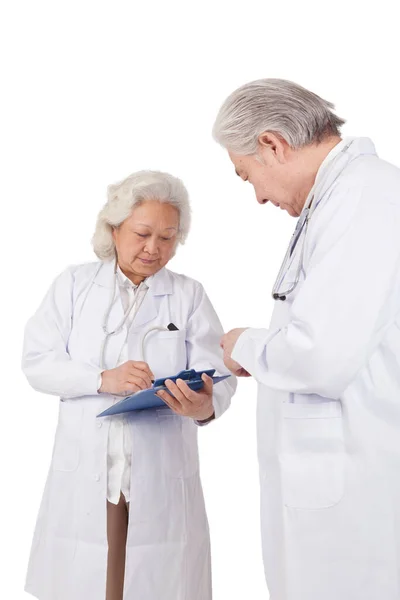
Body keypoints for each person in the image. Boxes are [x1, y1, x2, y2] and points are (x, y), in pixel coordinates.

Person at [213, 78, 400, 600]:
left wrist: (245, 344)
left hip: (352, 490)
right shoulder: (343, 198)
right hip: (330, 484)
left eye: (248, 176)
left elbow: (320, 356)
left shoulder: (365, 196)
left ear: (273, 144)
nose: (258, 197)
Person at [22, 170, 236, 600]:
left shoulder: (189, 295)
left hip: (159, 472)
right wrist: (102, 379)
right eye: (142, 233)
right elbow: (36, 362)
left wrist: (204, 406)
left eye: (167, 237)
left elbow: (219, 375)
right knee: (91, 580)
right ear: (113, 228)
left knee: (156, 581)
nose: (154, 248)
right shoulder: (74, 286)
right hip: (90, 469)